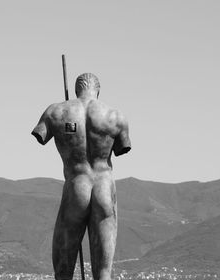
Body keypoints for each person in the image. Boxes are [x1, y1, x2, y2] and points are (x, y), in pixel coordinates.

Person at [31, 73, 131, 280]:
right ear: (98, 90)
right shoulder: (115, 116)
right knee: (104, 274)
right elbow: (123, 147)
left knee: (63, 272)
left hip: (77, 186)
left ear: (77, 89)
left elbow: (41, 134)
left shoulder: (57, 111)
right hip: (104, 187)